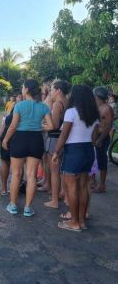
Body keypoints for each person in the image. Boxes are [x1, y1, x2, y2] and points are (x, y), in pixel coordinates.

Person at [2, 79, 54, 217]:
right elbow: (51, 126)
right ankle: (27, 208)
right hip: (36, 140)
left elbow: (13, 126)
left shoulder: (20, 105)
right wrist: (39, 126)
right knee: (31, 175)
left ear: (26, 90)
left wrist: (5, 139)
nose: (22, 89)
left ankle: (13, 206)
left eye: (23, 87)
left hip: (20, 139)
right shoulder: (43, 107)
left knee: (16, 174)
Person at [52, 85, 99, 232]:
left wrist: (56, 151)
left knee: (71, 187)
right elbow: (94, 137)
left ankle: (74, 222)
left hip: (74, 151)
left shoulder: (71, 112)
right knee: (84, 186)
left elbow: (64, 135)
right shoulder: (94, 114)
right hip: (88, 150)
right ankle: (82, 220)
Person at [44, 80, 70, 209]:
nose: (51, 92)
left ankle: (54, 200)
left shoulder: (57, 104)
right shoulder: (68, 102)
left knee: (54, 171)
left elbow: (53, 126)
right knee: (62, 171)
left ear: (58, 90)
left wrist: (41, 126)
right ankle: (63, 194)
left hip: (55, 139)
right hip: (65, 139)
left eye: (53, 89)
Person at [0, 94, 22, 196]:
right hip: (17, 139)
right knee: (18, 166)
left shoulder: (7, 117)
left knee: (5, 163)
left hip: (5, 139)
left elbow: (1, 131)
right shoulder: (23, 116)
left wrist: (2, 139)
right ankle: (17, 187)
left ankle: (3, 188)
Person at [92, 86, 114, 193]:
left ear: (97, 96)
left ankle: (102, 185)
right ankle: (93, 182)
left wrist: (100, 139)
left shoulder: (107, 108)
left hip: (102, 138)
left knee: (102, 161)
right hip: (96, 138)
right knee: (94, 159)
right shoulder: (97, 107)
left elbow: (108, 126)